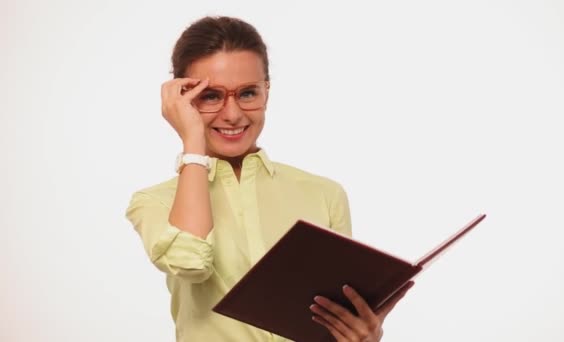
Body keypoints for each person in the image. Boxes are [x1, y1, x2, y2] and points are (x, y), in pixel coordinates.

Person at [125, 16, 414, 342]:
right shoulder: (153, 202)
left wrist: (362, 337)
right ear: (181, 99)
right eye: (210, 96)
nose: (232, 114)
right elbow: (189, 263)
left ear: (267, 91)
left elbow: (330, 322)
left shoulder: (324, 193)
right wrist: (192, 142)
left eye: (248, 93)